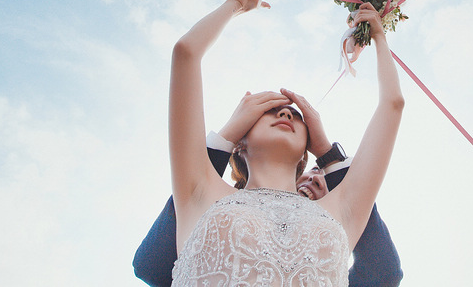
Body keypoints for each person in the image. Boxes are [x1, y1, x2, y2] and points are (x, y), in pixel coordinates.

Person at [167, 0, 404, 286]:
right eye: (268, 110)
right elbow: (185, 52)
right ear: (241, 143)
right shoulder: (199, 189)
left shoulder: (342, 208)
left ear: (308, 146)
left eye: (296, 115)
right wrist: (235, 5)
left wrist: (379, 37)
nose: (284, 112)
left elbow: (393, 103)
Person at [133, 92, 404, 287]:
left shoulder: (335, 222)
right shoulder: (217, 206)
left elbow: (385, 274)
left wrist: (328, 158)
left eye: (322, 182)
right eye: (308, 177)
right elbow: (151, 265)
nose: (314, 181)